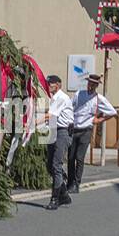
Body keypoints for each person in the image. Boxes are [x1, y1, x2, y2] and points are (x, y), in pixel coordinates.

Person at [68, 73, 116, 196]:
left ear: (96, 86)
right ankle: (70, 182)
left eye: (93, 84)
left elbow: (112, 112)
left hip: (86, 130)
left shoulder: (99, 99)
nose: (91, 85)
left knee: (79, 158)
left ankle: (76, 184)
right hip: (74, 128)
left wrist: (99, 120)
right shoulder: (79, 94)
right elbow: (70, 107)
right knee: (70, 157)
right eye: (89, 83)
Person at [43, 74, 74, 210]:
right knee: (49, 165)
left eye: (51, 83)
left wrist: (32, 122)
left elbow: (50, 115)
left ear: (58, 85)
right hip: (54, 129)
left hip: (62, 132)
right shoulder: (54, 99)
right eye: (48, 83)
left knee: (56, 165)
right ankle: (65, 195)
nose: (49, 85)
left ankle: (55, 199)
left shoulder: (62, 98)